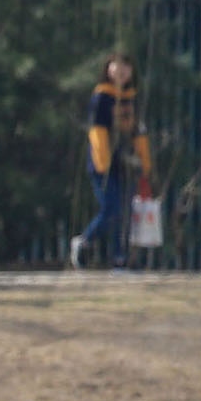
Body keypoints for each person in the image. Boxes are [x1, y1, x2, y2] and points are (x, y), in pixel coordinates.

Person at [69, 53, 152, 272]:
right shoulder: (102, 98)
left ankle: (120, 259)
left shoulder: (132, 98)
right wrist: (102, 163)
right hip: (103, 164)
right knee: (111, 207)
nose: (122, 70)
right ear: (108, 69)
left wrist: (145, 162)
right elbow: (97, 132)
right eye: (117, 66)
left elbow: (139, 132)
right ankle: (85, 241)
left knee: (125, 213)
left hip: (127, 164)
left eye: (127, 66)